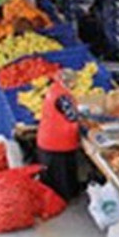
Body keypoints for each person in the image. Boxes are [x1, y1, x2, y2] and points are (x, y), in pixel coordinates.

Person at [36, 72, 83, 201]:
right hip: (58, 141)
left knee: (54, 174)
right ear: (69, 82)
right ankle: (61, 198)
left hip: (48, 138)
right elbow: (72, 116)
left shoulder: (54, 89)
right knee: (62, 173)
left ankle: (55, 197)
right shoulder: (62, 97)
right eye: (74, 83)